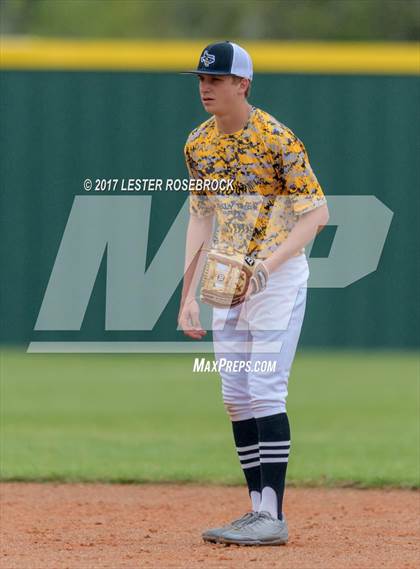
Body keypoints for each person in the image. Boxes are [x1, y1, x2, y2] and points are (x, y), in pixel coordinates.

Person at [178, 41, 329, 546]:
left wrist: (267, 266)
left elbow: (316, 215)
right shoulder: (198, 143)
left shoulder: (276, 139)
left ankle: (274, 514)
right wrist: (187, 294)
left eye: (216, 79)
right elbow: (201, 215)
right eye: (201, 78)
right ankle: (257, 509)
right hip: (226, 277)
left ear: (242, 83)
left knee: (265, 388)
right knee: (236, 397)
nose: (206, 86)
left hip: (275, 277)